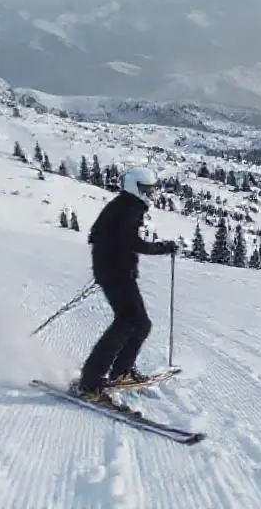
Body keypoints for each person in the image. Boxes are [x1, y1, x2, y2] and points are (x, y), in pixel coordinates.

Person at [71, 166, 178, 407]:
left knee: (140, 323)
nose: (150, 194)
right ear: (135, 187)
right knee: (127, 321)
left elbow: (113, 238)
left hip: (116, 271)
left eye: (152, 190)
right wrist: (162, 248)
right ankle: (90, 383)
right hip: (115, 272)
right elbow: (130, 241)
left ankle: (121, 372)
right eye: (147, 190)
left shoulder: (126, 205)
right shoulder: (130, 206)